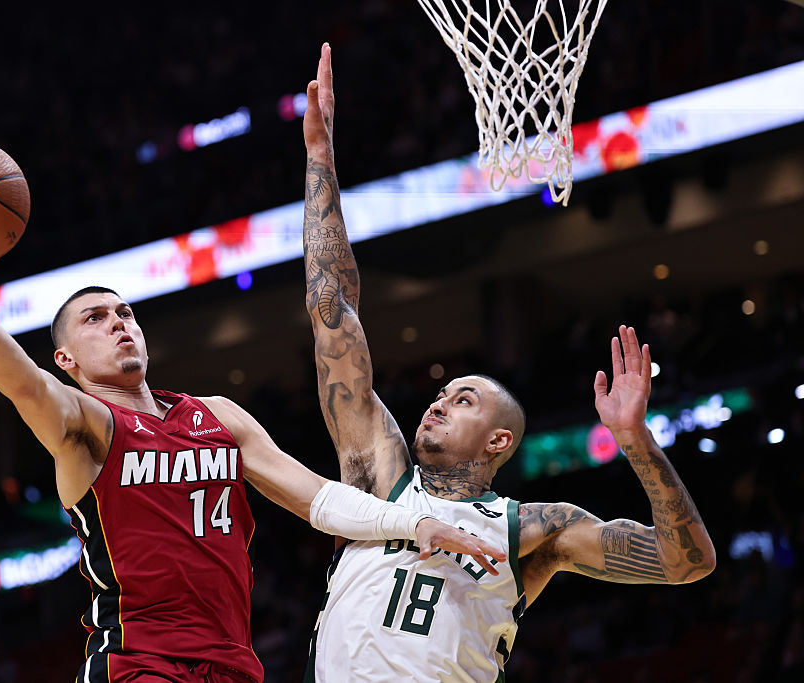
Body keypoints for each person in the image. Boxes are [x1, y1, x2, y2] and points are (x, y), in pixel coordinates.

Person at [0, 179, 505, 683]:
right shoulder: (88, 426)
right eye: (96, 319)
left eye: (125, 313)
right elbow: (22, 382)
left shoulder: (218, 415)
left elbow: (319, 498)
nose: (119, 324)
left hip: (232, 662)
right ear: (67, 361)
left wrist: (414, 521)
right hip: (139, 663)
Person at [300, 43, 717, 682]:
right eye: (443, 393)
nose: (438, 401)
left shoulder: (536, 529)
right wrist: (320, 161)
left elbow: (687, 562)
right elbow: (333, 314)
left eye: (463, 399)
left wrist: (634, 440)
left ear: (499, 440)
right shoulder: (378, 475)